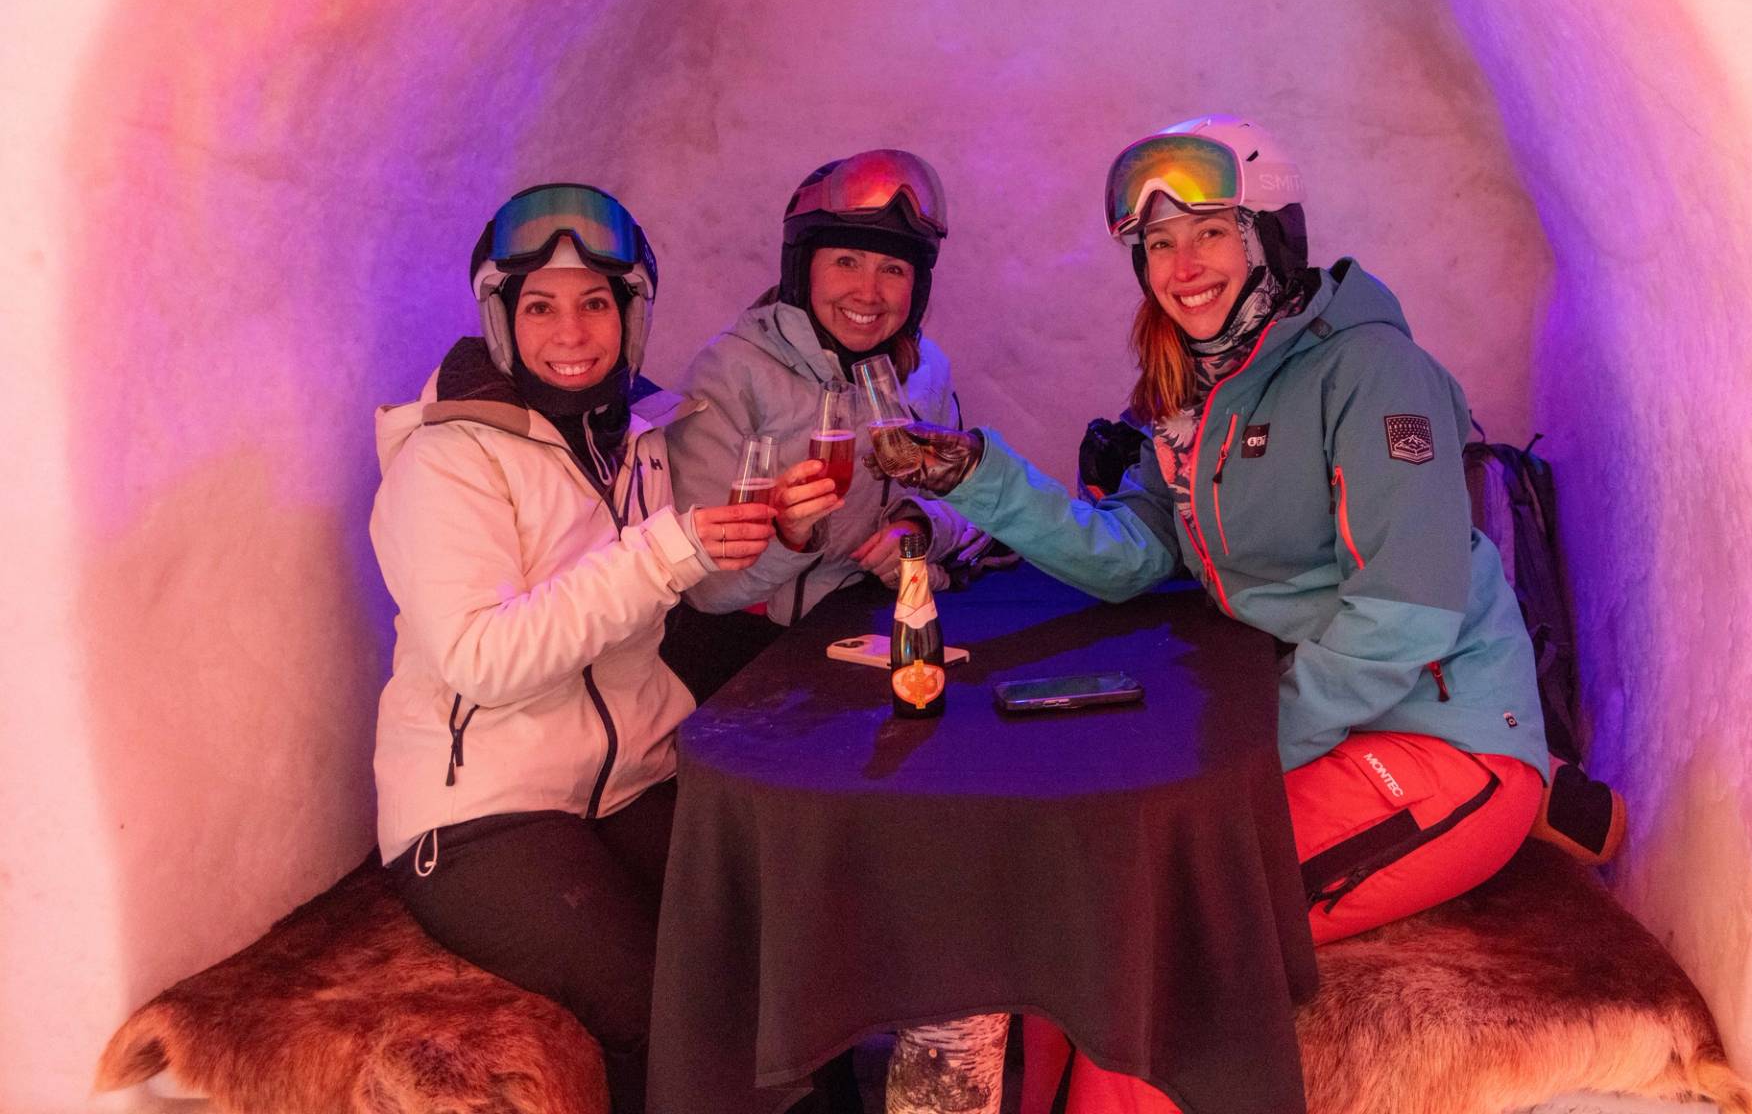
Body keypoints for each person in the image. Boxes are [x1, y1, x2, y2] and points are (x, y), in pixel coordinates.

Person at [869, 117, 1552, 1114]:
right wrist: (980, 476)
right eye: (1156, 244)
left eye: (1209, 233)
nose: (1181, 266)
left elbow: (1404, 618)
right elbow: (1129, 554)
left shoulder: (1370, 371)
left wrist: (1232, 756)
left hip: (1439, 741)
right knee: (1085, 904)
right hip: (1323, 725)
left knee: (1157, 947)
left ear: (1268, 234)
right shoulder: (1196, 390)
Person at [368, 184, 817, 1114]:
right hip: (479, 819)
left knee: (789, 943)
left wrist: (786, 534)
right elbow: (481, 660)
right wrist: (663, 549)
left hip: (632, 779)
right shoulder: (448, 460)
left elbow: (691, 586)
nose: (570, 330)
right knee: (676, 1008)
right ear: (502, 320)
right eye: (539, 306)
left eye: (595, 302)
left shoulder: (639, 439)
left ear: (630, 315)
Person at [664, 148, 995, 697]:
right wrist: (789, 538)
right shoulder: (732, 372)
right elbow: (705, 589)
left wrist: (917, 529)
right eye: (846, 261)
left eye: (892, 269)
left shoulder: (925, 369)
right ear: (802, 268)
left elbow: (977, 513)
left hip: (878, 631)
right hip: (751, 655)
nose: (868, 292)